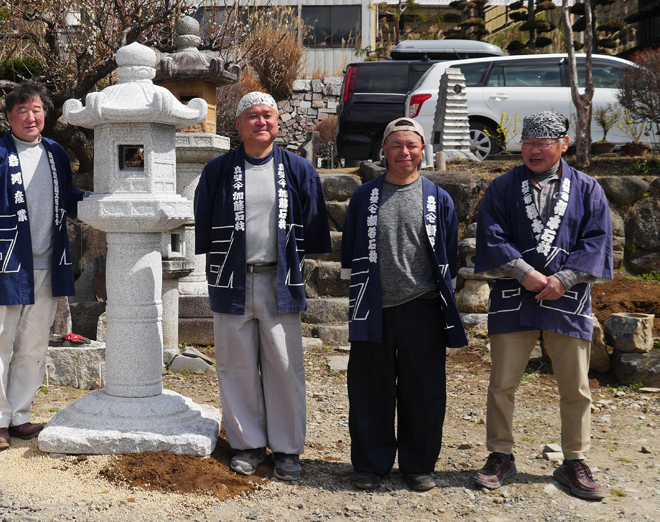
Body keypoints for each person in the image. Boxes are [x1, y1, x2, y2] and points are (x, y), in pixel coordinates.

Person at [473, 111, 613, 500]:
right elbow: (491, 233)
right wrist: (524, 273)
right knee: (502, 383)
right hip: (513, 295)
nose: (534, 151)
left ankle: (575, 460)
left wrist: (563, 279)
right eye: (529, 143)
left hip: (567, 298)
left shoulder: (587, 189)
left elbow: (597, 239)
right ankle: (500, 453)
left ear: (563, 144)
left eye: (544, 143)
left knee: (576, 386)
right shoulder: (502, 187)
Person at [194, 91, 331, 481]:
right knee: (235, 366)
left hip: (279, 280)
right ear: (238, 125)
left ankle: (287, 449)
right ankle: (247, 444)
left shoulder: (298, 169)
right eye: (252, 116)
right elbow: (204, 224)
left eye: (267, 116)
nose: (261, 122)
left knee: (285, 366)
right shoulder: (218, 170)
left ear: (276, 122)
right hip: (232, 278)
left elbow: (315, 224)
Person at [341, 118, 467, 492]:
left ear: (423, 149)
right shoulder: (364, 196)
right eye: (396, 145)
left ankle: (418, 464)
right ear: (384, 150)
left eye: (412, 145)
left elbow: (450, 255)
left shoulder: (437, 198)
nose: (404, 152)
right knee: (368, 390)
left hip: (423, 307)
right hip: (373, 306)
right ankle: (370, 464)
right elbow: (350, 251)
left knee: (424, 391)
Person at [0, 82, 86, 451]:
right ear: (8, 117)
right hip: (6, 265)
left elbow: (70, 196)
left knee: (33, 345)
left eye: (36, 110)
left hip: (50, 264)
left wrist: (107, 201)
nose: (30, 117)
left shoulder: (56, 154)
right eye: (22, 111)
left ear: (45, 115)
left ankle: (20, 414)